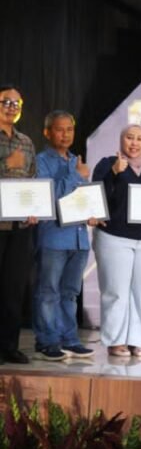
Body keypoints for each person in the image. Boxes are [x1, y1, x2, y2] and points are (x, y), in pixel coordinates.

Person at [92, 125, 141, 357]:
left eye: (139, 139)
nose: (134, 143)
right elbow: (96, 196)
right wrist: (114, 173)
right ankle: (116, 340)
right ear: (122, 140)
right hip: (114, 237)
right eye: (129, 138)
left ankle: (139, 340)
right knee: (116, 292)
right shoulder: (108, 164)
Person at [33, 111, 96, 360]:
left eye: (70, 129)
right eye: (60, 129)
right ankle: (47, 341)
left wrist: (93, 213)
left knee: (70, 293)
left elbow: (82, 198)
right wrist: (76, 175)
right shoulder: (41, 161)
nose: (65, 134)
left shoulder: (75, 160)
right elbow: (49, 197)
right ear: (47, 132)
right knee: (49, 292)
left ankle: (69, 339)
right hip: (53, 236)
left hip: (79, 236)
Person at [0, 84, 36, 363]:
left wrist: (34, 208)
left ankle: (9, 346)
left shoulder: (26, 142)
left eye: (16, 103)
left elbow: (32, 180)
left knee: (13, 290)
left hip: (19, 228)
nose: (11, 108)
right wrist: (5, 164)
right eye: (6, 102)